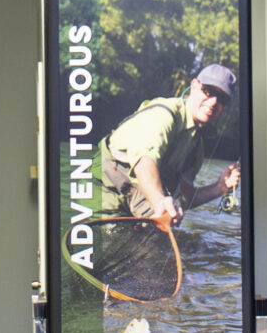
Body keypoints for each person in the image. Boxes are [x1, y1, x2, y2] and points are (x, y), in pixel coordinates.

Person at [97, 64, 241, 225]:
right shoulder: (164, 115)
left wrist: (219, 187)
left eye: (222, 99)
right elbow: (144, 162)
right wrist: (159, 201)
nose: (214, 102)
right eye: (209, 91)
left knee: (166, 220)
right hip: (104, 185)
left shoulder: (196, 147)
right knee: (158, 216)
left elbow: (185, 197)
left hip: (136, 196)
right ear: (194, 85)